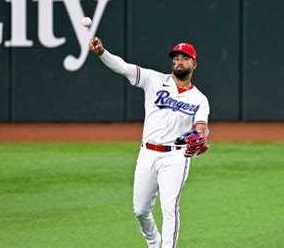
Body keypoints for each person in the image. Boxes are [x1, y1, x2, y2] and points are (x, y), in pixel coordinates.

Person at [89, 37, 210, 248]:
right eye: (176, 58)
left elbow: (201, 127)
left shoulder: (199, 99)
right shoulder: (153, 79)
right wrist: (102, 53)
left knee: (169, 208)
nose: (179, 62)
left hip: (176, 156)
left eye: (184, 58)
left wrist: (202, 135)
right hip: (147, 153)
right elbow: (123, 68)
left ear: (194, 64)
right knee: (140, 210)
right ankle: (153, 242)